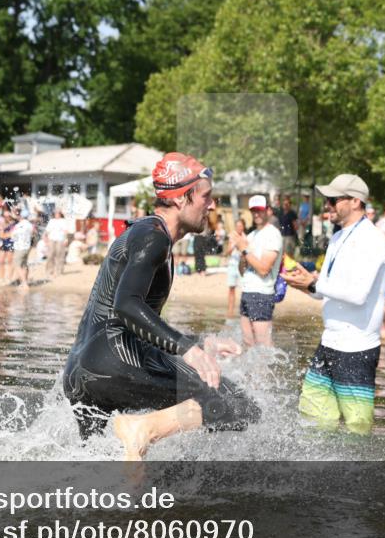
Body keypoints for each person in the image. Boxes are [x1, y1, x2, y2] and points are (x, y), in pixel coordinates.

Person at [62, 152, 260, 460]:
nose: (211, 205)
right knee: (238, 404)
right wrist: (187, 349)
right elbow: (127, 305)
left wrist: (200, 342)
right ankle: (144, 428)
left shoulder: (143, 231)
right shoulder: (155, 238)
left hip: (80, 372)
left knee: (97, 469)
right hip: (113, 360)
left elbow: (131, 320)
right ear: (181, 198)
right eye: (206, 196)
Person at [282, 174, 385, 431]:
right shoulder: (338, 237)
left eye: (333, 199)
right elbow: (325, 291)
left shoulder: (372, 239)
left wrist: (315, 284)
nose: (326, 205)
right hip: (329, 342)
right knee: (313, 418)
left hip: (356, 348)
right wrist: (304, 283)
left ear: (355, 201)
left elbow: (357, 294)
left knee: (357, 427)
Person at [228, 195, 283, 348]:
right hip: (247, 291)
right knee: (248, 344)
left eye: (260, 210)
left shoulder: (272, 234)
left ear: (268, 211)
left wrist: (244, 249)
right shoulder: (251, 235)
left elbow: (264, 269)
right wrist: (242, 252)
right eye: (253, 210)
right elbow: (242, 271)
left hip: (262, 295)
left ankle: (274, 365)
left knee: (264, 345)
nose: (256, 214)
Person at [225, 219, 246, 318]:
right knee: (231, 288)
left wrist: (241, 246)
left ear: (243, 227)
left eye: (240, 226)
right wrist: (234, 245)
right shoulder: (231, 237)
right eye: (237, 226)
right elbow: (227, 252)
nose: (239, 228)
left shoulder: (246, 237)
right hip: (233, 265)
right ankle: (230, 310)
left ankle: (243, 310)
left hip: (242, 265)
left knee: (244, 289)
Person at [9, 210, 34, 286]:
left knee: (17, 265)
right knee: (24, 265)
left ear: (21, 216)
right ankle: (25, 281)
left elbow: (13, 236)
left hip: (19, 248)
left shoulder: (18, 225)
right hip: (27, 247)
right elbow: (32, 235)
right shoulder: (30, 225)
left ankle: (24, 283)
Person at [44, 209, 70, 277]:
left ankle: (59, 271)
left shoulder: (63, 221)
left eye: (58, 213)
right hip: (51, 239)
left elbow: (66, 231)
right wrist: (45, 238)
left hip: (60, 239)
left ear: (60, 214)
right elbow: (47, 230)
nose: (56, 214)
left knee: (60, 255)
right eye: (55, 213)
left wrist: (66, 239)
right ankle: (49, 270)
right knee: (50, 255)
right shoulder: (51, 221)